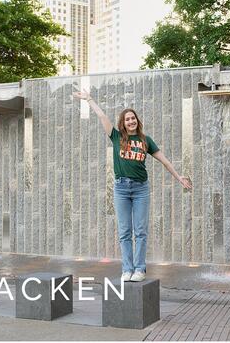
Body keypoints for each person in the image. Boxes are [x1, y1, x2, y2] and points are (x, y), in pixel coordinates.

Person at [72, 89, 192, 282]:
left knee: (141, 231)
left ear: (137, 121)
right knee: (125, 232)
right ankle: (127, 269)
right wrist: (89, 99)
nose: (130, 121)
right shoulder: (117, 137)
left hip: (140, 189)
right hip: (120, 188)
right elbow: (102, 116)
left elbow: (164, 161)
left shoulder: (146, 140)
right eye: (127, 119)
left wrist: (179, 177)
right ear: (123, 122)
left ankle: (140, 269)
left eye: (133, 118)